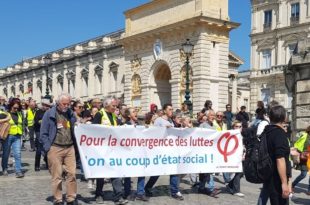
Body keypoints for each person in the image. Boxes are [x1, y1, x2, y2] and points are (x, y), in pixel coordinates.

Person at [40, 93, 79, 205]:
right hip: (55, 148)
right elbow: (43, 133)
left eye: (68, 104)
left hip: (69, 147)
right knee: (57, 176)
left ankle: (71, 198)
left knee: (71, 174)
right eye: (64, 104)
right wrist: (48, 147)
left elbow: (73, 127)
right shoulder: (49, 114)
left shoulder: (70, 113)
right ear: (58, 103)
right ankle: (58, 199)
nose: (66, 106)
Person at [144, 103, 184, 200]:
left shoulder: (171, 121)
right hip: (160, 150)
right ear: (165, 110)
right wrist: (164, 129)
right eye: (169, 109)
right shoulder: (159, 120)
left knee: (173, 170)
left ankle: (174, 191)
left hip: (170, 151)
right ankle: (147, 188)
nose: (171, 111)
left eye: (172, 109)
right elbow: (154, 133)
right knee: (157, 171)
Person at [92, 97, 128, 205]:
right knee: (101, 173)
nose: (115, 108)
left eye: (116, 106)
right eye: (113, 106)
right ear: (107, 105)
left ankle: (118, 196)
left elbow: (119, 126)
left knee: (115, 171)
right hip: (102, 148)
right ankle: (98, 194)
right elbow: (94, 130)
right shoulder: (99, 114)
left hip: (113, 149)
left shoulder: (113, 115)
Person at [259, 105, 291, 205]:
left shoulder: (267, 131)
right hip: (277, 178)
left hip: (268, 174)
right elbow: (280, 159)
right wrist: (284, 183)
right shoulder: (279, 133)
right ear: (283, 117)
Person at [199, 110, 221, 197]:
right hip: (204, 152)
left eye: (214, 115)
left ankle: (201, 187)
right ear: (207, 116)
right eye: (211, 115)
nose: (213, 117)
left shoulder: (215, 127)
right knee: (207, 171)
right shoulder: (203, 125)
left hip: (211, 152)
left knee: (207, 171)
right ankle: (211, 188)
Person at [1, 98, 24, 178]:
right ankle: (4, 168)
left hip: (17, 136)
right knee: (6, 153)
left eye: (17, 108)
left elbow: (22, 124)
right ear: (11, 106)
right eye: (14, 107)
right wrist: (6, 119)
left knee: (17, 154)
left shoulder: (20, 113)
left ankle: (18, 171)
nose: (16, 109)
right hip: (7, 136)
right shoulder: (5, 113)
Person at [226, 120, 245, 197]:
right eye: (236, 126)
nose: (238, 128)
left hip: (240, 156)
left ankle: (230, 185)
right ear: (233, 127)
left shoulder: (241, 135)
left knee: (241, 173)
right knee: (238, 172)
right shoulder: (230, 135)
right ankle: (236, 190)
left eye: (240, 126)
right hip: (233, 157)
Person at [292, 125, 310, 195]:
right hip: (304, 158)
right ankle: (292, 185)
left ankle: (309, 190)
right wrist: (301, 152)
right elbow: (297, 145)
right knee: (303, 174)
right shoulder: (305, 135)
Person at [34, 99, 51, 171]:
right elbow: (36, 121)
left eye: (48, 106)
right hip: (39, 131)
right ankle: (37, 165)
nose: (46, 107)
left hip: (47, 132)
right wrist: (41, 122)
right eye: (45, 105)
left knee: (47, 148)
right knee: (39, 149)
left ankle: (47, 162)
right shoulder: (38, 112)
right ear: (43, 105)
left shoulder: (50, 112)